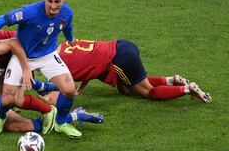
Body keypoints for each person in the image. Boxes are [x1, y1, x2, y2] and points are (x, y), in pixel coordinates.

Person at [0, 0, 81, 138]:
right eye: (49, 1)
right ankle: (1, 118)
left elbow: (66, 25)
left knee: (69, 90)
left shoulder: (67, 13)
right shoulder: (30, 12)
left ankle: (61, 122)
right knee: (8, 99)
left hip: (48, 55)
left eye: (57, 1)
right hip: (23, 55)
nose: (53, 6)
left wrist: (70, 38)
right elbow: (1, 20)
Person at [32, 39, 212, 104]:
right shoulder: (63, 47)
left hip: (119, 60)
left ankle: (188, 89)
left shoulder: (57, 67)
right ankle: (172, 80)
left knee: (147, 91)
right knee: (124, 89)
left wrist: (47, 98)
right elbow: (87, 63)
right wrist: (80, 88)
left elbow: (60, 95)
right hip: (122, 45)